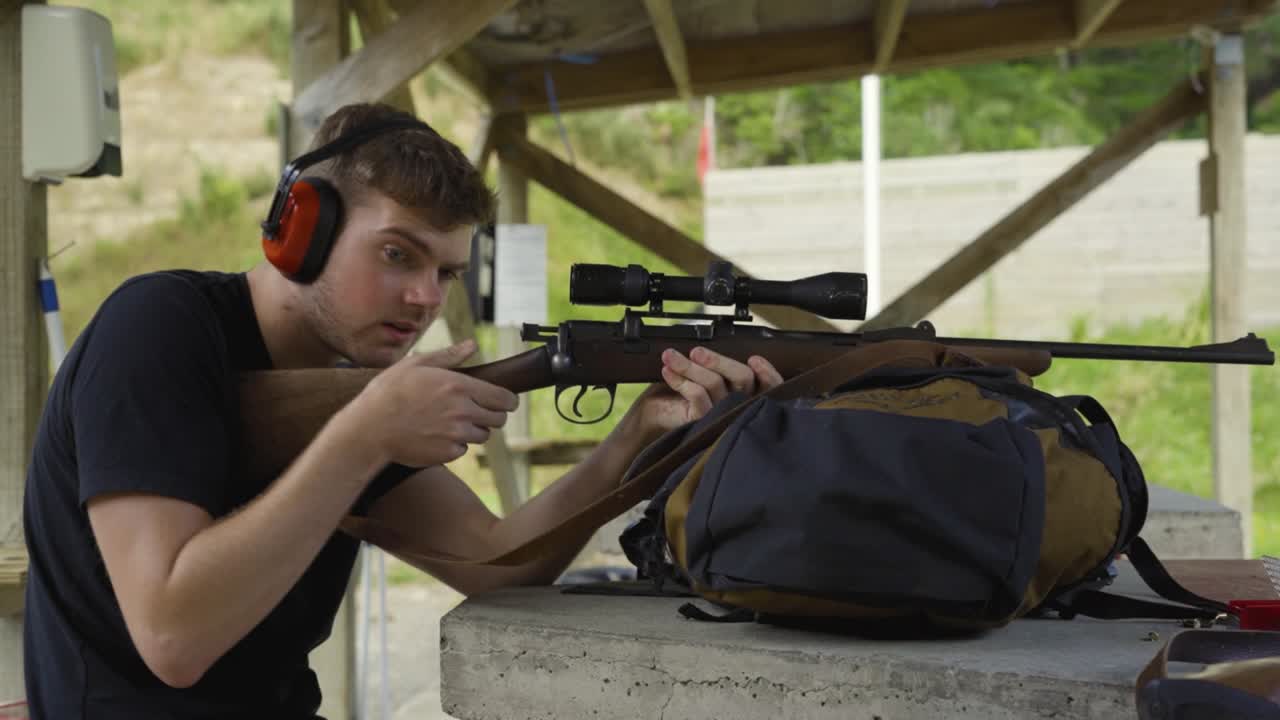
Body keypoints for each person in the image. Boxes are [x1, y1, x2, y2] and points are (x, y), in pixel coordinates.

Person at [21, 102, 784, 719]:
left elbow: (493, 561)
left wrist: (635, 437)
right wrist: (362, 436)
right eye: (397, 254)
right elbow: (172, 636)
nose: (425, 298)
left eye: (446, 272)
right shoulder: (159, 327)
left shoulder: (349, 387)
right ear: (302, 230)